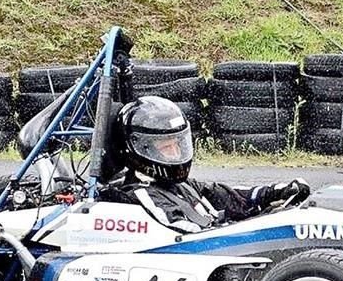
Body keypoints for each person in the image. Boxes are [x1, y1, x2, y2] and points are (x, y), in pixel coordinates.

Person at [99, 96, 310, 233]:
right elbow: (184, 232)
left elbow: (232, 197)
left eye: (177, 145)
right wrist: (250, 224)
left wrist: (274, 192)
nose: (176, 154)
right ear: (141, 150)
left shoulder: (182, 186)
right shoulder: (140, 194)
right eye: (166, 148)